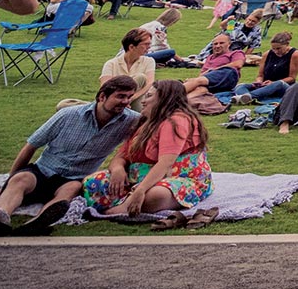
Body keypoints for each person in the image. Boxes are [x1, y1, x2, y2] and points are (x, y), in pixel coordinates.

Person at [0, 77, 142, 236]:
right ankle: (0, 217)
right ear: (102, 97)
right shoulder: (68, 115)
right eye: (120, 96)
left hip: (74, 178)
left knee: (71, 189)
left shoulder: (130, 120)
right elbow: (31, 146)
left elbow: (155, 123)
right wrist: (8, 181)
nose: (126, 102)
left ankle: (36, 223)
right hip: (43, 170)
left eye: (129, 97)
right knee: (20, 179)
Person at [80, 80, 212, 218]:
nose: (143, 101)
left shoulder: (176, 121)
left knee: (156, 195)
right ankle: (126, 200)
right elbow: (121, 155)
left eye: (149, 96)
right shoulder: (144, 122)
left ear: (164, 99)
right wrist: (118, 170)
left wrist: (140, 190)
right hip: (138, 177)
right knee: (91, 182)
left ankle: (125, 205)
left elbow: (165, 163)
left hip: (177, 178)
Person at [224, 32, 298, 107]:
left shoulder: (294, 54)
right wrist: (259, 81)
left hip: (283, 86)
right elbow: (260, 75)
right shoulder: (267, 54)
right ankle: (245, 97)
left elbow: (292, 78)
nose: (276, 51)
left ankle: (246, 96)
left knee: (279, 83)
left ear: (287, 45)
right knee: (241, 86)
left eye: (279, 48)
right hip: (265, 86)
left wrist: (273, 83)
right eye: (273, 49)